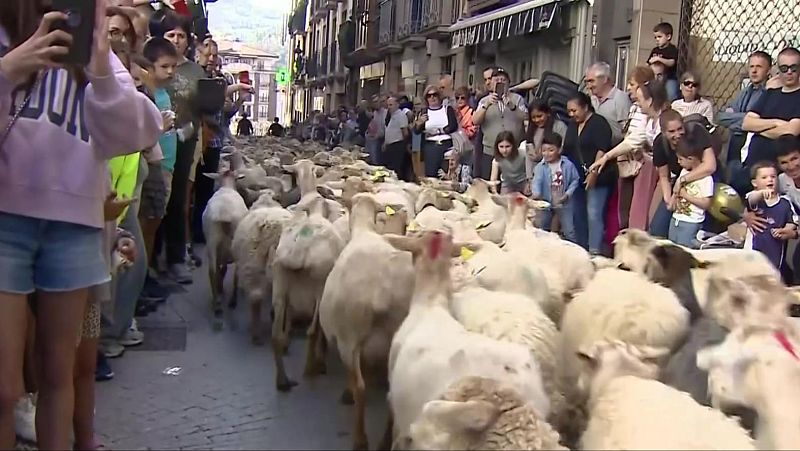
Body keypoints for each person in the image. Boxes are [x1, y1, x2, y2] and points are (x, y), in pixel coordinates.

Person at [0, 0, 163, 448]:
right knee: (5, 388)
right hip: (6, 221)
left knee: (62, 372)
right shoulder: (7, 32)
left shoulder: (96, 51)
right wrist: (10, 69)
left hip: (76, 229)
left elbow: (137, 132)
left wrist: (101, 69)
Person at [152, 10, 206, 284]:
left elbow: (204, 108)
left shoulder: (196, 72)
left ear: (188, 40)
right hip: (155, 140)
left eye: (181, 35)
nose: (176, 40)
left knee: (177, 199)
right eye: (170, 34)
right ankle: (153, 257)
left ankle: (175, 258)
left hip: (184, 141)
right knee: (154, 197)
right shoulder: (151, 63)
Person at [563, 92, 616, 255]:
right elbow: (567, 149)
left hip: (599, 176)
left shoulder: (599, 123)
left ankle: (594, 250)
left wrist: (593, 173)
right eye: (569, 111)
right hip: (577, 176)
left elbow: (602, 149)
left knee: (594, 214)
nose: (571, 114)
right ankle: (581, 247)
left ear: (585, 107)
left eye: (574, 110)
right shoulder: (573, 125)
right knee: (578, 213)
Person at [651, 109, 718, 237]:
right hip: (681, 183)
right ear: (664, 132)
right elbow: (664, 176)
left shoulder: (695, 132)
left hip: (705, 179)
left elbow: (710, 165)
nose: (677, 134)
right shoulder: (660, 143)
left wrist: (682, 180)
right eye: (671, 131)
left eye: (680, 129)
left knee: (702, 227)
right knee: (657, 230)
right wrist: (669, 200)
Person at [742, 47, 800, 167]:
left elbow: (791, 131)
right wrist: (776, 122)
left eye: (793, 68)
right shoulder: (770, 93)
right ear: (778, 70)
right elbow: (747, 123)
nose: (789, 72)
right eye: (784, 68)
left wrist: (758, 130)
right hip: (754, 163)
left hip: (783, 166)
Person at [717, 51, 771, 167]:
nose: (754, 70)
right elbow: (722, 117)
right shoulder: (745, 92)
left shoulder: (770, 93)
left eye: (759, 67)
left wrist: (735, 119)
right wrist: (747, 120)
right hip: (735, 142)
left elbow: (762, 121)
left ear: (768, 70)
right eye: (751, 66)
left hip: (755, 144)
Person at [744, 161, 798, 276]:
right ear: (754, 183)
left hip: (776, 251)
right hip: (753, 250)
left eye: (773, 176)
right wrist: (761, 193)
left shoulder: (785, 201)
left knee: (773, 275)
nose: (770, 180)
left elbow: (792, 221)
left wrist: (785, 230)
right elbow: (750, 201)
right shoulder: (754, 198)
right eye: (764, 177)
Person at [472, 67, 528, 179]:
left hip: (514, 150)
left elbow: (526, 116)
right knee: (490, 182)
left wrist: (512, 106)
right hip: (490, 150)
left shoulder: (517, 99)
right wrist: (486, 105)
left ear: (508, 83)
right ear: (491, 83)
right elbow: (475, 121)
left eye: (503, 80)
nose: (500, 82)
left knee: (512, 183)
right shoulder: (484, 100)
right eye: (496, 80)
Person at [531, 132, 579, 242]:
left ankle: (573, 248)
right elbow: (536, 181)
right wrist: (536, 193)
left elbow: (575, 180)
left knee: (569, 230)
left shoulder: (568, 165)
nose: (547, 154)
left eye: (551, 150)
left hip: (564, 202)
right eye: (544, 150)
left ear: (559, 149)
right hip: (546, 202)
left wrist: (567, 194)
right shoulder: (540, 167)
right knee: (543, 228)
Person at [668, 138, 714, 248]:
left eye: (680, 159)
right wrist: (672, 201)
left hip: (691, 222)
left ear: (690, 159)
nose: (678, 162)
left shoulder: (706, 179)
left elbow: (706, 203)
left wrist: (686, 195)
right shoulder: (684, 172)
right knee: (672, 249)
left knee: (685, 250)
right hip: (676, 219)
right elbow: (676, 191)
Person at [413, 85, 459, 177]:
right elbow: (416, 131)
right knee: (431, 176)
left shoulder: (447, 109)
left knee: (447, 175)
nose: (432, 97)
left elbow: (453, 126)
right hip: (430, 147)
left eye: (435, 95)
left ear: (439, 96)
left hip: (447, 145)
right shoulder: (424, 112)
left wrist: (439, 130)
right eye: (429, 96)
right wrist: (419, 123)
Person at [586, 61, 632, 143]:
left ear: (604, 79)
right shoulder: (591, 99)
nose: (588, 86)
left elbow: (627, 131)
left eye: (591, 81)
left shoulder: (620, 99)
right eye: (587, 82)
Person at [521, 100, 568, 179]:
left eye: (539, 116)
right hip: (536, 175)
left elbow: (563, 148)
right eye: (533, 117)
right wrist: (529, 177)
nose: (537, 120)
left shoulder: (559, 126)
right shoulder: (532, 130)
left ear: (548, 113)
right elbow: (528, 157)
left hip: (555, 173)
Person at [648, 22, 680, 101]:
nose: (657, 39)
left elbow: (672, 62)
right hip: (655, 77)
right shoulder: (655, 50)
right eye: (655, 37)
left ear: (668, 37)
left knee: (671, 93)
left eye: (659, 37)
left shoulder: (672, 49)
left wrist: (659, 59)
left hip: (669, 78)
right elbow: (648, 62)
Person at [383, 96, 411, 181]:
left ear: (397, 105)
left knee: (396, 169)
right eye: (388, 105)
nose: (389, 107)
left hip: (397, 146)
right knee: (390, 169)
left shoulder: (401, 115)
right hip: (390, 146)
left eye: (391, 105)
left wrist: (403, 145)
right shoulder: (391, 116)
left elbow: (405, 132)